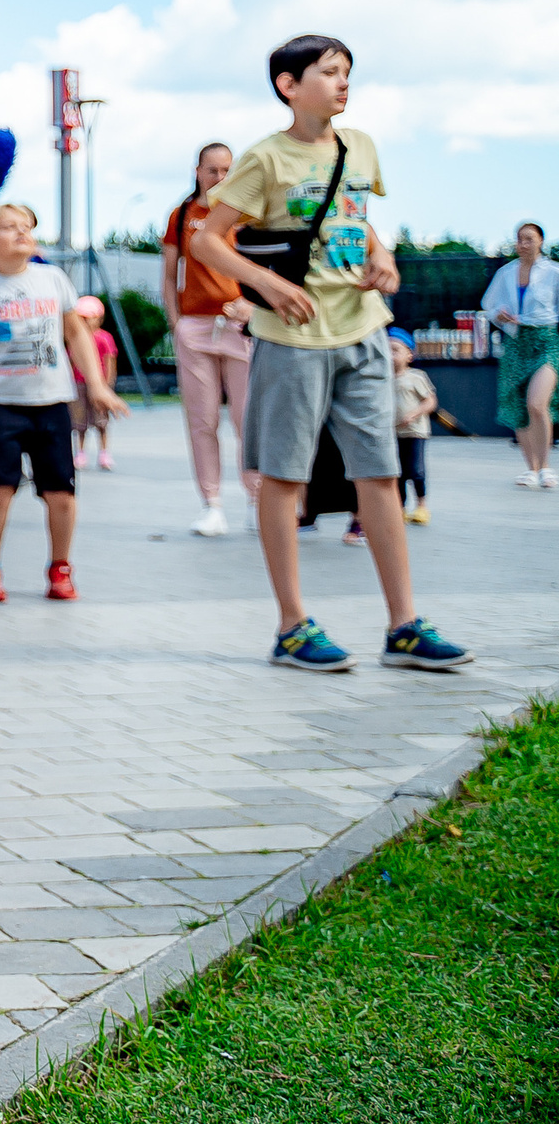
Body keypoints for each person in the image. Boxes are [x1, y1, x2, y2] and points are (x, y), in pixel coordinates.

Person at [186, 34, 472, 672]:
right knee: (285, 478)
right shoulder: (264, 159)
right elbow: (209, 240)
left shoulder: (359, 146)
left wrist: (384, 258)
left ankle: (403, 626)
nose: (344, 84)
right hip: (293, 340)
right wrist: (265, 284)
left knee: (380, 474)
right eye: (330, 73)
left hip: (364, 331)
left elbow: (357, 215)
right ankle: (291, 626)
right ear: (290, 85)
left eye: (347, 73)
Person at [0, 204, 125, 603]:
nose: (21, 233)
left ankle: (60, 568)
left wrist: (97, 385)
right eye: (9, 227)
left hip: (51, 402)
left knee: (61, 492)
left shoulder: (54, 279)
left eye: (27, 226)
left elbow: (77, 336)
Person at [161, 142, 257, 535]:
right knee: (201, 421)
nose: (220, 178)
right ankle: (211, 504)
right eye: (212, 170)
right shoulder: (182, 214)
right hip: (196, 327)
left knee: (246, 419)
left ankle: (257, 500)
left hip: (240, 327)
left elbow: (261, 268)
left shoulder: (246, 216)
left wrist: (252, 306)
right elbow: (169, 275)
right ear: (198, 171)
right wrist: (176, 322)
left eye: (227, 170)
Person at [482, 220, 558, 487]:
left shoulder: (553, 272)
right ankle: (531, 468)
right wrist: (499, 316)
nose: (523, 244)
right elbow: (489, 305)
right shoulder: (506, 273)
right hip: (515, 342)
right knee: (517, 406)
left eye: (529, 238)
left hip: (546, 340)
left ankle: (546, 467)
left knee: (536, 403)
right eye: (519, 239)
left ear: (540, 241)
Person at [389, 329, 435, 525]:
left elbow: (430, 401)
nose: (390, 355)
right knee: (396, 472)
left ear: (409, 355)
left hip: (415, 432)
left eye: (395, 350)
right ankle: (400, 508)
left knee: (416, 471)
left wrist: (414, 413)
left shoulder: (416, 377)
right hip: (393, 433)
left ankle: (421, 505)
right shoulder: (382, 378)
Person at [70, 302, 119, 471]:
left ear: (99, 318)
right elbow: (71, 360)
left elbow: (110, 360)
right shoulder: (74, 338)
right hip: (79, 384)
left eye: (88, 318)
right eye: (81, 318)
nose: (84, 322)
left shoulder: (104, 338)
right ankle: (81, 453)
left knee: (101, 422)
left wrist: (107, 383)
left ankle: (104, 453)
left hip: (99, 385)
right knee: (79, 421)